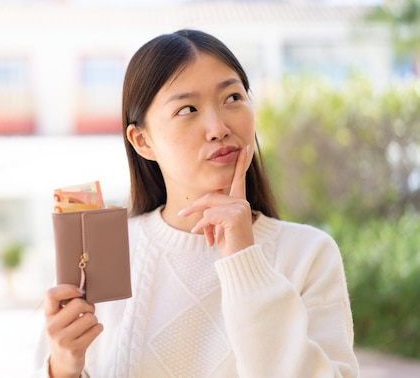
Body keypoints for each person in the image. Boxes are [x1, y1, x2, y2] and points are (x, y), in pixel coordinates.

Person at [36, 29, 358, 377]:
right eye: (188, 108)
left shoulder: (308, 254)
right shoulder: (106, 253)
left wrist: (244, 262)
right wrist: (63, 369)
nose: (218, 127)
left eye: (233, 98)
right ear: (142, 141)